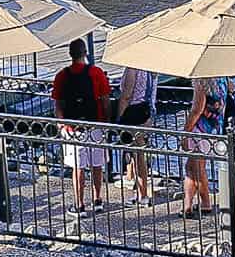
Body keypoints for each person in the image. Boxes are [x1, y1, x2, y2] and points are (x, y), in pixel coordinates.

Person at [50, 39, 113, 215]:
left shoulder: (61, 75)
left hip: (73, 128)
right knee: (97, 165)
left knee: (78, 168)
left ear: (70, 54)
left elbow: (58, 104)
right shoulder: (96, 73)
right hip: (95, 125)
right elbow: (106, 100)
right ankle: (98, 199)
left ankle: (79, 204)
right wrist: (106, 123)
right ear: (86, 53)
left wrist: (62, 124)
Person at [182, 75, 228, 219]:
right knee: (191, 166)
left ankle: (205, 203)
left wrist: (185, 132)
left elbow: (197, 109)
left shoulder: (201, 81)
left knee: (197, 168)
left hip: (200, 129)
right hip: (214, 128)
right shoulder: (222, 79)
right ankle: (188, 205)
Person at [114, 61, 159, 204]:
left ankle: (142, 194)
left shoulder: (133, 68)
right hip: (147, 112)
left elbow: (127, 95)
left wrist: (119, 118)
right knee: (139, 154)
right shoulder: (151, 69)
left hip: (134, 113)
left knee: (137, 155)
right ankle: (140, 192)